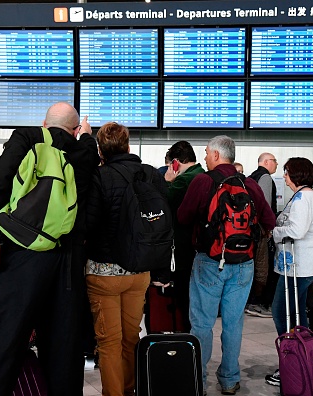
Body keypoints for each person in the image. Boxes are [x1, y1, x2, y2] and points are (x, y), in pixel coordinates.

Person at [0, 102, 100, 395]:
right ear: (74, 129)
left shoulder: (26, 137)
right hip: (68, 263)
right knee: (63, 349)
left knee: (9, 340)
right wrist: (86, 138)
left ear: (44, 124)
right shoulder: (84, 151)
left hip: (22, 252)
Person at [177, 135, 275, 396]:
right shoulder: (250, 184)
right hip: (244, 264)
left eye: (207, 152)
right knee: (233, 323)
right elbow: (269, 221)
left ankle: (198, 378)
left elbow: (183, 216)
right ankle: (230, 379)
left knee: (202, 323)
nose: (205, 157)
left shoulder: (203, 181)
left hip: (209, 261)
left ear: (217, 155)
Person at [85, 122, 168, 396]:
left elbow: (89, 224)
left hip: (103, 273)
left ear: (100, 149)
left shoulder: (99, 176)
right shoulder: (150, 175)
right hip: (139, 271)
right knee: (131, 338)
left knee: (109, 342)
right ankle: (130, 389)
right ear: (128, 145)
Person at [265, 157, 313, 387]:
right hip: (301, 265)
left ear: (296, 175)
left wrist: (274, 232)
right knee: (298, 314)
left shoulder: (303, 197)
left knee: (282, 312)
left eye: (287, 173)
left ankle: (292, 361)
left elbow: (297, 230)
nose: (285, 178)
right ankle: (303, 358)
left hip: (299, 266)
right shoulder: (307, 195)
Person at [163, 140, 205, 331]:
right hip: (202, 245)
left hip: (183, 247)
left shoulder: (183, 181)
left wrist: (167, 183)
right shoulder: (203, 175)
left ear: (176, 162)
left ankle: (183, 335)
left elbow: (165, 207)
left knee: (183, 295)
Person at [245, 152, 279, 318]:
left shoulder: (251, 177)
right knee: (262, 268)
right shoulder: (265, 177)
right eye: (274, 161)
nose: (277, 164)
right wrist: (268, 228)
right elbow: (264, 205)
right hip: (260, 231)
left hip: (249, 230)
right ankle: (256, 303)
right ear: (266, 162)